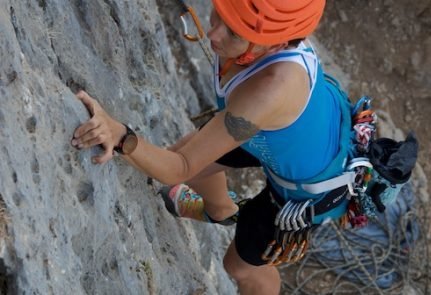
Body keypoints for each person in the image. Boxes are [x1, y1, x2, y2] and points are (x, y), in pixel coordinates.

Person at [72, 1, 350, 294]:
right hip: (283, 136)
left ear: (274, 45)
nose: (213, 35)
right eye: (219, 15)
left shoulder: (271, 90)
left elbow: (178, 166)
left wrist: (119, 136)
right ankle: (220, 209)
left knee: (240, 266)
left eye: (233, 33)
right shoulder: (264, 33)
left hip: (308, 187)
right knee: (193, 152)